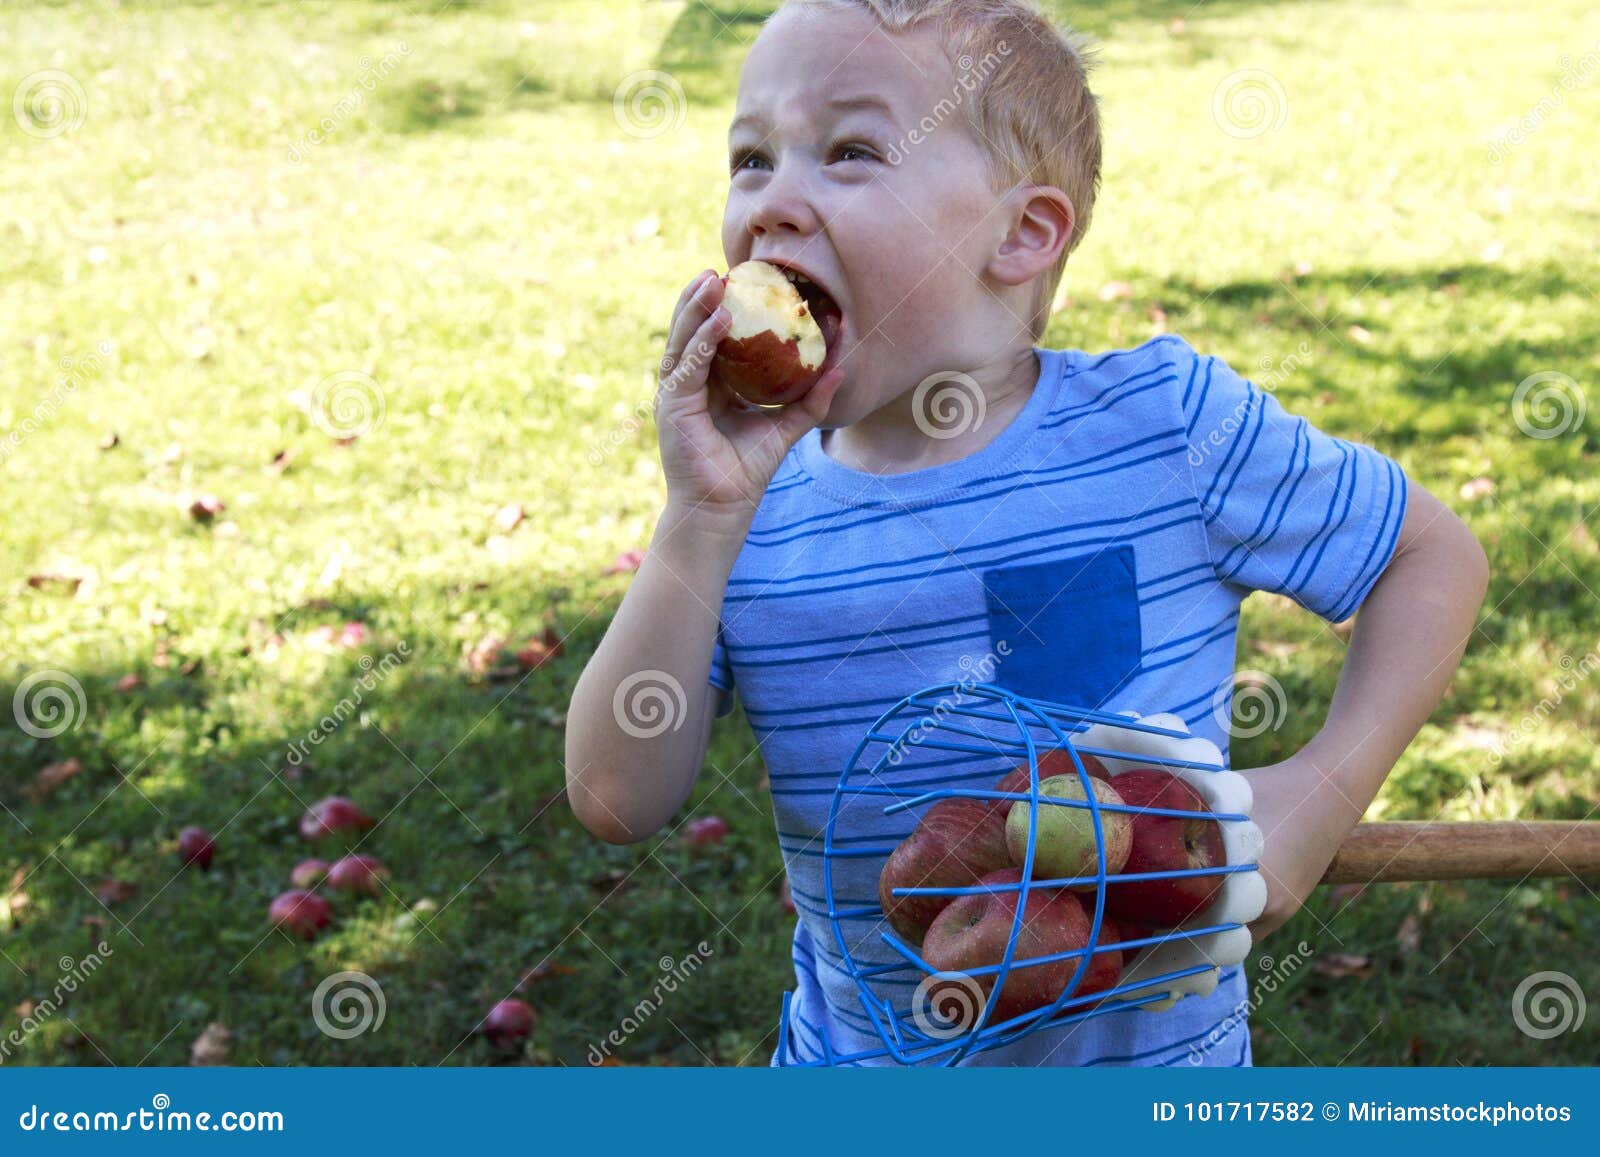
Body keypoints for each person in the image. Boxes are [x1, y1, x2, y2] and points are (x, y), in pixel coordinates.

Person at [565, 0, 1489, 1066]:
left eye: (851, 150)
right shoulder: (748, 508)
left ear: (1022, 232)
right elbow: (613, 797)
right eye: (750, 158)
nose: (772, 202)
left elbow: (1431, 556)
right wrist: (696, 518)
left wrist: (1322, 791)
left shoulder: (1163, 427)